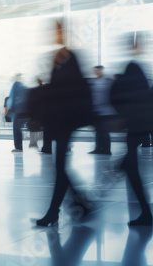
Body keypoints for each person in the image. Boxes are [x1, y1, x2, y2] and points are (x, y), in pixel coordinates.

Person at [35, 20, 93, 227]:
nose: (54, 35)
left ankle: (55, 212)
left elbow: (75, 89)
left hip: (67, 119)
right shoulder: (57, 58)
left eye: (56, 31)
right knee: (59, 166)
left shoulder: (71, 57)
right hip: (60, 120)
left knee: (59, 166)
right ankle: (79, 203)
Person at [109, 34, 153, 226]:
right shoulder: (139, 69)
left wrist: (122, 114)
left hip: (136, 125)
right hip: (141, 125)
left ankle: (146, 212)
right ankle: (145, 211)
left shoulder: (132, 68)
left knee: (130, 167)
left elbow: (116, 94)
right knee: (130, 165)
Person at [89, 66, 114, 155]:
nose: (97, 72)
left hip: (105, 111)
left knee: (104, 131)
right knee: (98, 131)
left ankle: (106, 150)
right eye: (95, 70)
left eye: (98, 70)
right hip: (97, 110)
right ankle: (98, 148)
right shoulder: (94, 82)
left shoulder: (107, 81)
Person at [5, 75, 28, 152]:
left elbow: (12, 98)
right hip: (23, 111)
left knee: (17, 129)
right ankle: (19, 147)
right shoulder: (23, 87)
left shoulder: (16, 85)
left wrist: (10, 112)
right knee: (19, 129)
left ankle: (19, 147)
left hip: (17, 110)